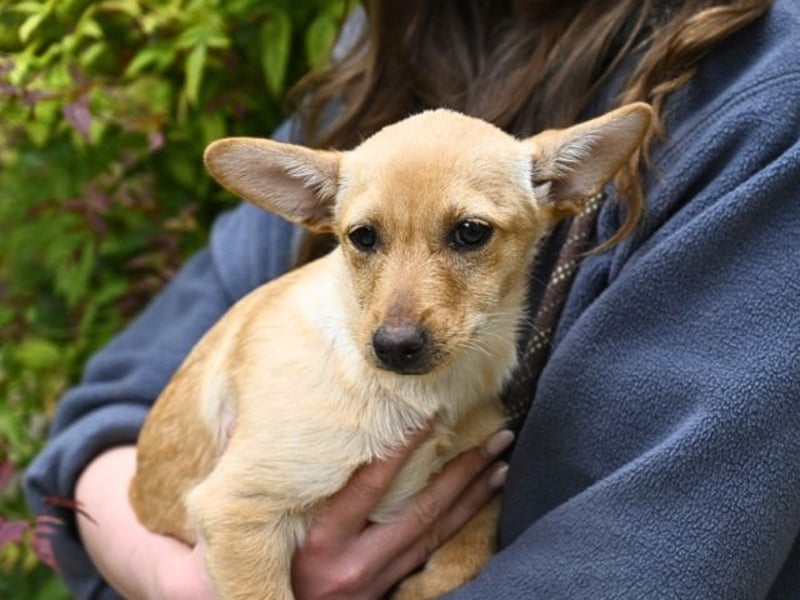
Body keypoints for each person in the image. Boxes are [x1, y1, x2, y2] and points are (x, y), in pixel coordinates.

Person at [24, 0, 800, 597]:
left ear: (565, 187)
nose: (398, 320)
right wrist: (183, 582)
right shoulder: (385, 52)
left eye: (467, 234)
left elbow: (649, 564)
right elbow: (104, 418)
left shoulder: (764, 99)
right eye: (363, 240)